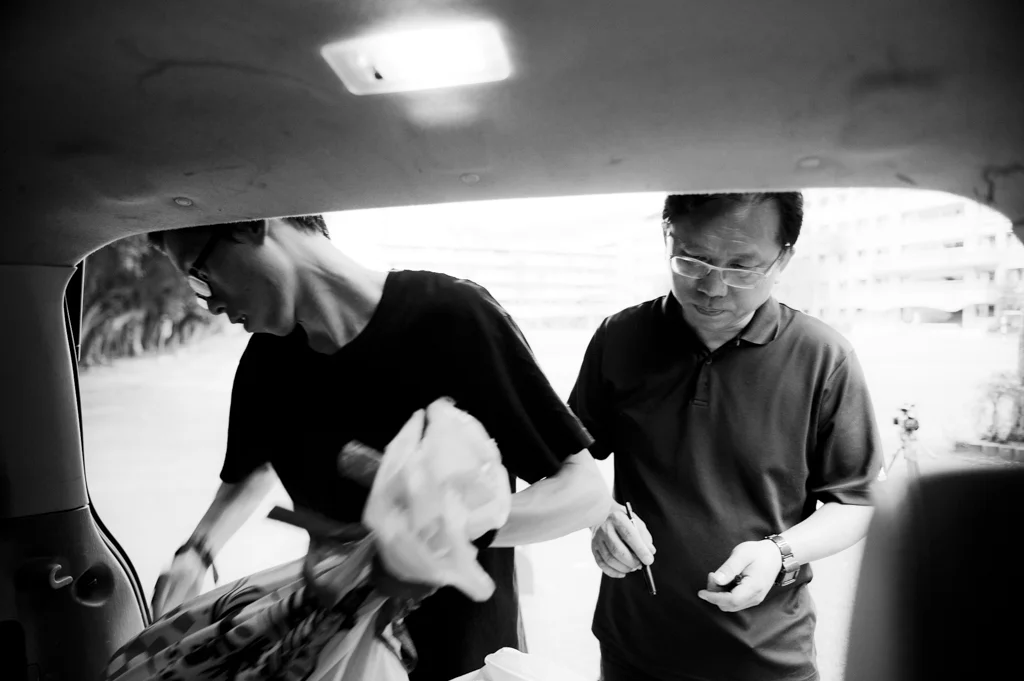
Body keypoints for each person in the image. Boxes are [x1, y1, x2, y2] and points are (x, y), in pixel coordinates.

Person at [145, 214, 611, 681]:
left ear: (255, 224)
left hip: (464, 658)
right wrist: (197, 552)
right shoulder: (266, 361)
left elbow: (582, 489)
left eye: (200, 275)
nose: (209, 303)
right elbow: (252, 465)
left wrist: (441, 531)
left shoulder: (451, 317)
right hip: (328, 648)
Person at [570, 193, 883, 681]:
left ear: (783, 259)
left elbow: (856, 502)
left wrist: (778, 552)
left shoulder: (824, 358)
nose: (713, 289)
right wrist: (597, 514)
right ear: (667, 237)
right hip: (633, 648)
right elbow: (570, 458)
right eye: (692, 260)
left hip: (767, 657)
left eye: (741, 268)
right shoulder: (620, 337)